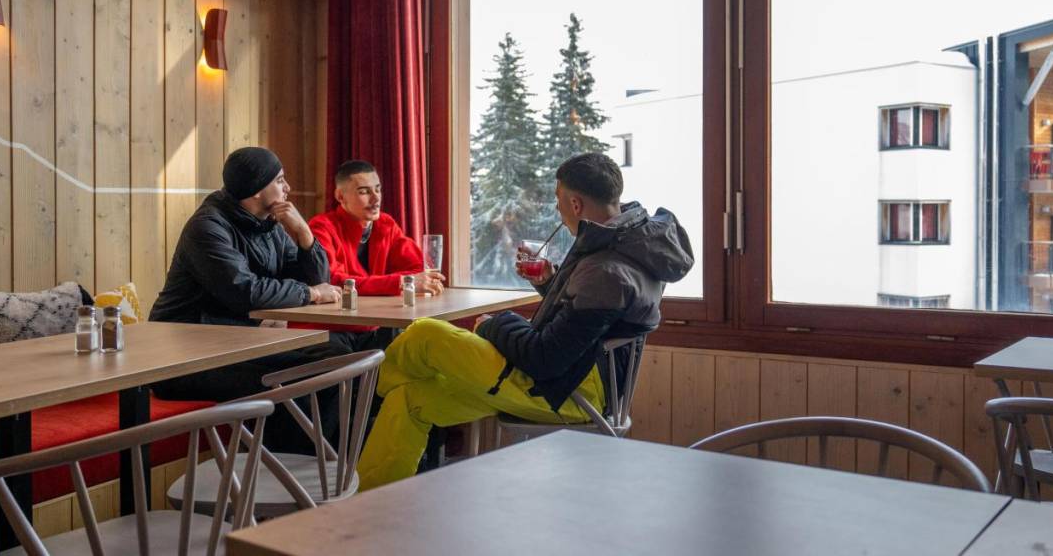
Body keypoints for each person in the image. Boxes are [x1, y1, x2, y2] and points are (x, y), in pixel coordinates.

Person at [356, 152, 693, 489]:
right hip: (576, 379)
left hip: (568, 393)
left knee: (426, 333)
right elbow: (582, 325)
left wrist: (492, 323)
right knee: (410, 398)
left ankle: (367, 396)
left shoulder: (605, 269)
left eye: (559, 200)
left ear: (575, 204)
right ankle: (372, 502)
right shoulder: (627, 243)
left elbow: (544, 358)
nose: (558, 210)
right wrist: (550, 281)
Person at [150, 146, 350, 452]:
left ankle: (318, 462)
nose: (288, 188)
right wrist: (310, 294)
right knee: (297, 378)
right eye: (280, 180)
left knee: (337, 354)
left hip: (235, 347)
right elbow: (245, 292)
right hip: (185, 361)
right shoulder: (207, 227)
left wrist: (304, 233)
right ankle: (288, 467)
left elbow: (316, 279)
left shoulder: (268, 224)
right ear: (257, 189)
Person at [303, 160, 445, 345]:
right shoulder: (321, 227)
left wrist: (396, 283)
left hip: (373, 324)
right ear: (340, 196)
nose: (376, 199)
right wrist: (398, 283)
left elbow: (417, 269)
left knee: (424, 341)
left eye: (378, 190)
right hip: (331, 326)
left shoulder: (386, 224)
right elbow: (333, 282)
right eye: (364, 192)